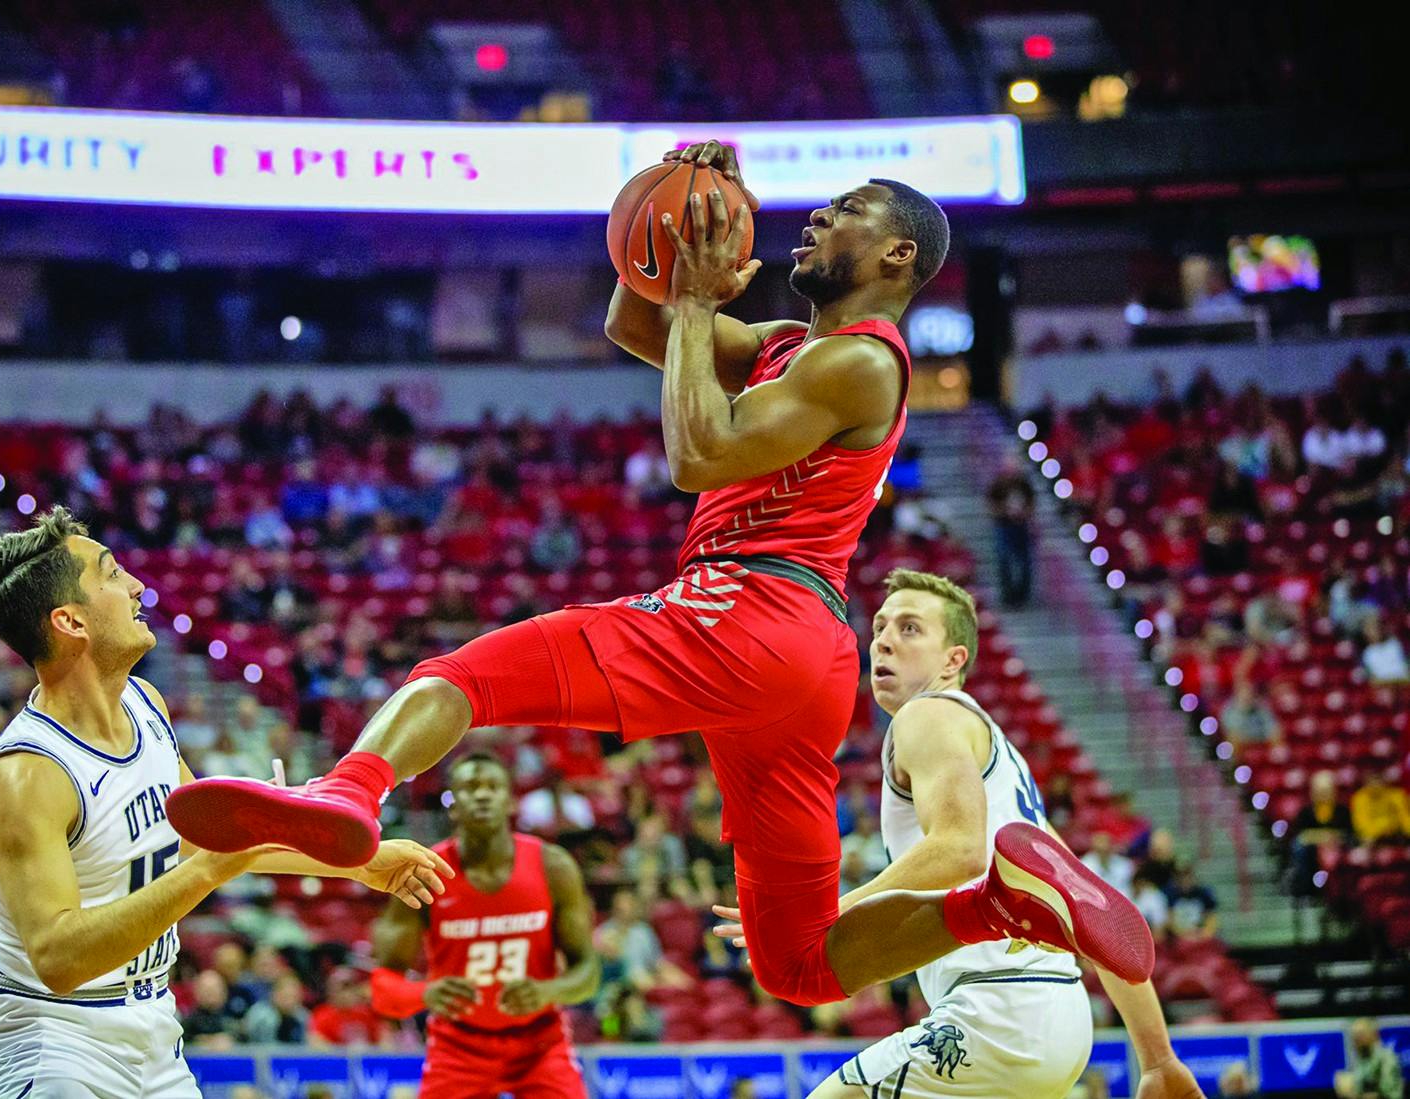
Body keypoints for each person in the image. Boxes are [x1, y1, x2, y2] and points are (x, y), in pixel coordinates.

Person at [170, 145, 1140, 1007]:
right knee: (796, 966)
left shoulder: (858, 363)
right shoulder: (789, 347)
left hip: (747, 607)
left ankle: (349, 791)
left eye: (846, 209)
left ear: (898, 258)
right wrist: (671, 227)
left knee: (465, 676)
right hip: (801, 662)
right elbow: (634, 323)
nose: (815, 218)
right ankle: (1010, 903)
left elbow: (700, 454)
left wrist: (693, 302)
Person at [0, 507, 453, 1097]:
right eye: (113, 575)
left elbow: (206, 836)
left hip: (153, 1025)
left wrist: (358, 862)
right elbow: (59, 958)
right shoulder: (28, 773)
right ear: (70, 621)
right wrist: (209, 870)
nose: (138, 586)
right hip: (53, 1037)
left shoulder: (146, 704)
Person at [714, 571, 1196, 1099]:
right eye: (879, 626)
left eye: (911, 628)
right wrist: (1157, 1058)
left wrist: (829, 911)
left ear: (953, 660)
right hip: (1061, 1019)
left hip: (995, 1013)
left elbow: (959, 851)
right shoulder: (1004, 764)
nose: (883, 639)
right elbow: (1099, 915)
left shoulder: (928, 715)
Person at [371, 752, 598, 1098]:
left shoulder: (553, 866)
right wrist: (425, 993)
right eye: (470, 787)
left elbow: (588, 972)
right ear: (452, 806)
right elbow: (382, 989)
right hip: (458, 1046)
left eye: (493, 786)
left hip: (540, 1043)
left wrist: (548, 991)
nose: (482, 794)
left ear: (509, 802)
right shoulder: (424, 873)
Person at [986, 456, 1036, 608]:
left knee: (1025, 562)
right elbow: (991, 506)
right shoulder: (998, 485)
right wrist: (1005, 512)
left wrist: (1023, 513)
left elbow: (1032, 503)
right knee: (1004, 559)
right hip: (1004, 527)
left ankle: (1023, 595)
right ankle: (1008, 595)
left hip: (1021, 527)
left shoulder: (1024, 484)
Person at [1334, 1016, 1404, 1099]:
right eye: (1354, 1035)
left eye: (1360, 1035)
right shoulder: (1362, 1059)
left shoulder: (1386, 1058)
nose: (1356, 1039)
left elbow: (1387, 1094)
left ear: (1373, 1035)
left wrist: (1352, 1093)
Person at [1351, 769, 1410, 846]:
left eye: (1378, 782)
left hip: (1396, 834)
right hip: (1373, 837)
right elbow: (1361, 825)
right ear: (1366, 783)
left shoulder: (1396, 795)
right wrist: (1382, 828)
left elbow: (1405, 817)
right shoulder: (1359, 798)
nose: (1375, 785)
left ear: (1384, 782)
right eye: (1372, 782)